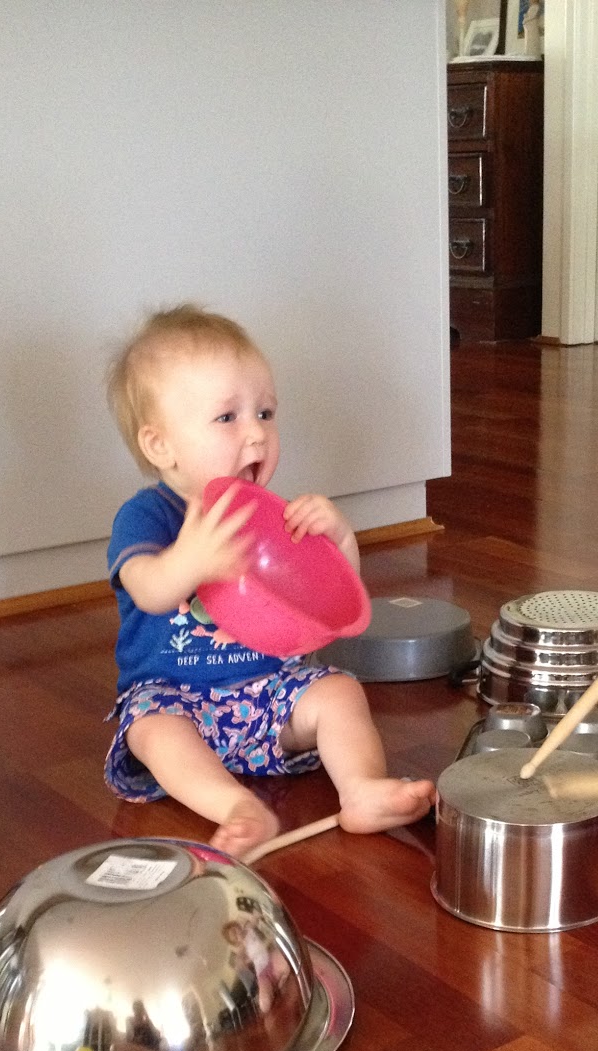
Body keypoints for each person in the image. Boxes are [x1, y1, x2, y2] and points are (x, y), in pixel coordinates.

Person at [102, 304, 434, 858]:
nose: (256, 434)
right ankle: (233, 806)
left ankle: (362, 790)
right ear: (160, 445)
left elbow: (327, 608)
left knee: (340, 691)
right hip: (175, 697)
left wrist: (340, 541)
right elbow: (148, 589)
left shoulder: (272, 516)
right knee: (150, 731)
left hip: (267, 696)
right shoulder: (147, 518)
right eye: (227, 418)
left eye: (266, 412)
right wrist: (191, 560)